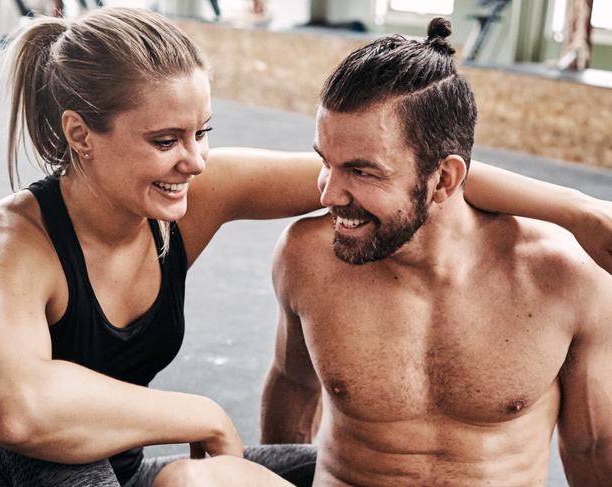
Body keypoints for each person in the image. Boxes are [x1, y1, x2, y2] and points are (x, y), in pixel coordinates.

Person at [0, 7, 609, 487]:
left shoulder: (184, 191)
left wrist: (583, 213)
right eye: (167, 140)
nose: (195, 160)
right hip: (27, 460)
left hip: (117, 451)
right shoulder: (9, 243)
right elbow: (15, 409)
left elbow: (411, 180)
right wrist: (205, 411)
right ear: (81, 135)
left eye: (203, 133)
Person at [261, 17, 612, 486]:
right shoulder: (307, 257)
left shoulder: (564, 277)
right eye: (326, 163)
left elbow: (593, 448)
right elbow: (294, 384)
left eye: (362, 173)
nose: (327, 195)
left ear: (444, 179)